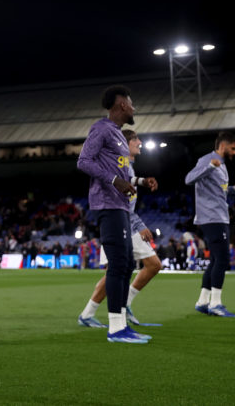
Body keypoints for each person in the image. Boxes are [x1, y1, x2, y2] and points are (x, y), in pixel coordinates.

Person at [76, 84, 149, 344]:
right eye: (131, 103)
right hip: (107, 204)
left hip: (120, 205)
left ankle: (121, 325)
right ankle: (116, 329)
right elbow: (83, 161)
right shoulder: (101, 129)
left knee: (126, 265)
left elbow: (123, 174)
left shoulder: (118, 136)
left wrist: (138, 182)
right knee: (118, 266)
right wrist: (115, 181)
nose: (133, 108)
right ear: (121, 105)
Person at [78, 129, 163, 328]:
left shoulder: (128, 167)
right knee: (144, 266)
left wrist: (141, 181)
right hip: (120, 223)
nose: (140, 142)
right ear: (126, 143)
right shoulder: (119, 164)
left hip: (124, 222)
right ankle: (115, 313)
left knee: (117, 272)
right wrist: (139, 225)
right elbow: (119, 201)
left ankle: (92, 313)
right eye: (136, 140)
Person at [184, 131, 235, 317]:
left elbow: (218, 191)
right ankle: (216, 304)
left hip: (219, 216)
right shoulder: (207, 161)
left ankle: (203, 301)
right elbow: (188, 179)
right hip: (212, 218)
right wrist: (210, 167)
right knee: (222, 260)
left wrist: (233, 189)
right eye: (233, 148)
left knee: (215, 260)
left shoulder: (222, 166)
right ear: (222, 146)